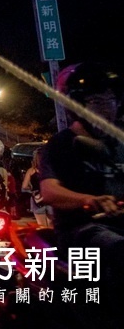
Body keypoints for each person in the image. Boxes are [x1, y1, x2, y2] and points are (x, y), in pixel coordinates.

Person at [38, 62, 124, 290]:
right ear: (75, 105)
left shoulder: (119, 141)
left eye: (110, 100)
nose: (106, 108)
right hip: (83, 231)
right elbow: (49, 191)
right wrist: (88, 200)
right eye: (96, 101)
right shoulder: (62, 144)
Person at [20, 148, 52, 229]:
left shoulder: (31, 171)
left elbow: (24, 186)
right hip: (49, 197)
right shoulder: (49, 170)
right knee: (51, 227)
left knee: (42, 227)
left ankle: (43, 241)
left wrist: (31, 190)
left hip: (37, 199)